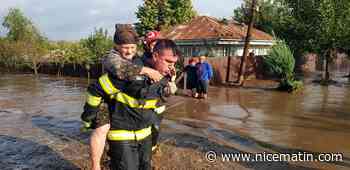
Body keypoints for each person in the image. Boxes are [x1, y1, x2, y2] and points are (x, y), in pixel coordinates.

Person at [82, 39, 179, 170]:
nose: (171, 67)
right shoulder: (130, 73)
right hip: (122, 135)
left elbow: (159, 108)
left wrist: (153, 143)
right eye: (168, 62)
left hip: (145, 135)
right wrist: (89, 118)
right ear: (155, 56)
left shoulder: (165, 76)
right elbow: (96, 89)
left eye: (174, 63)